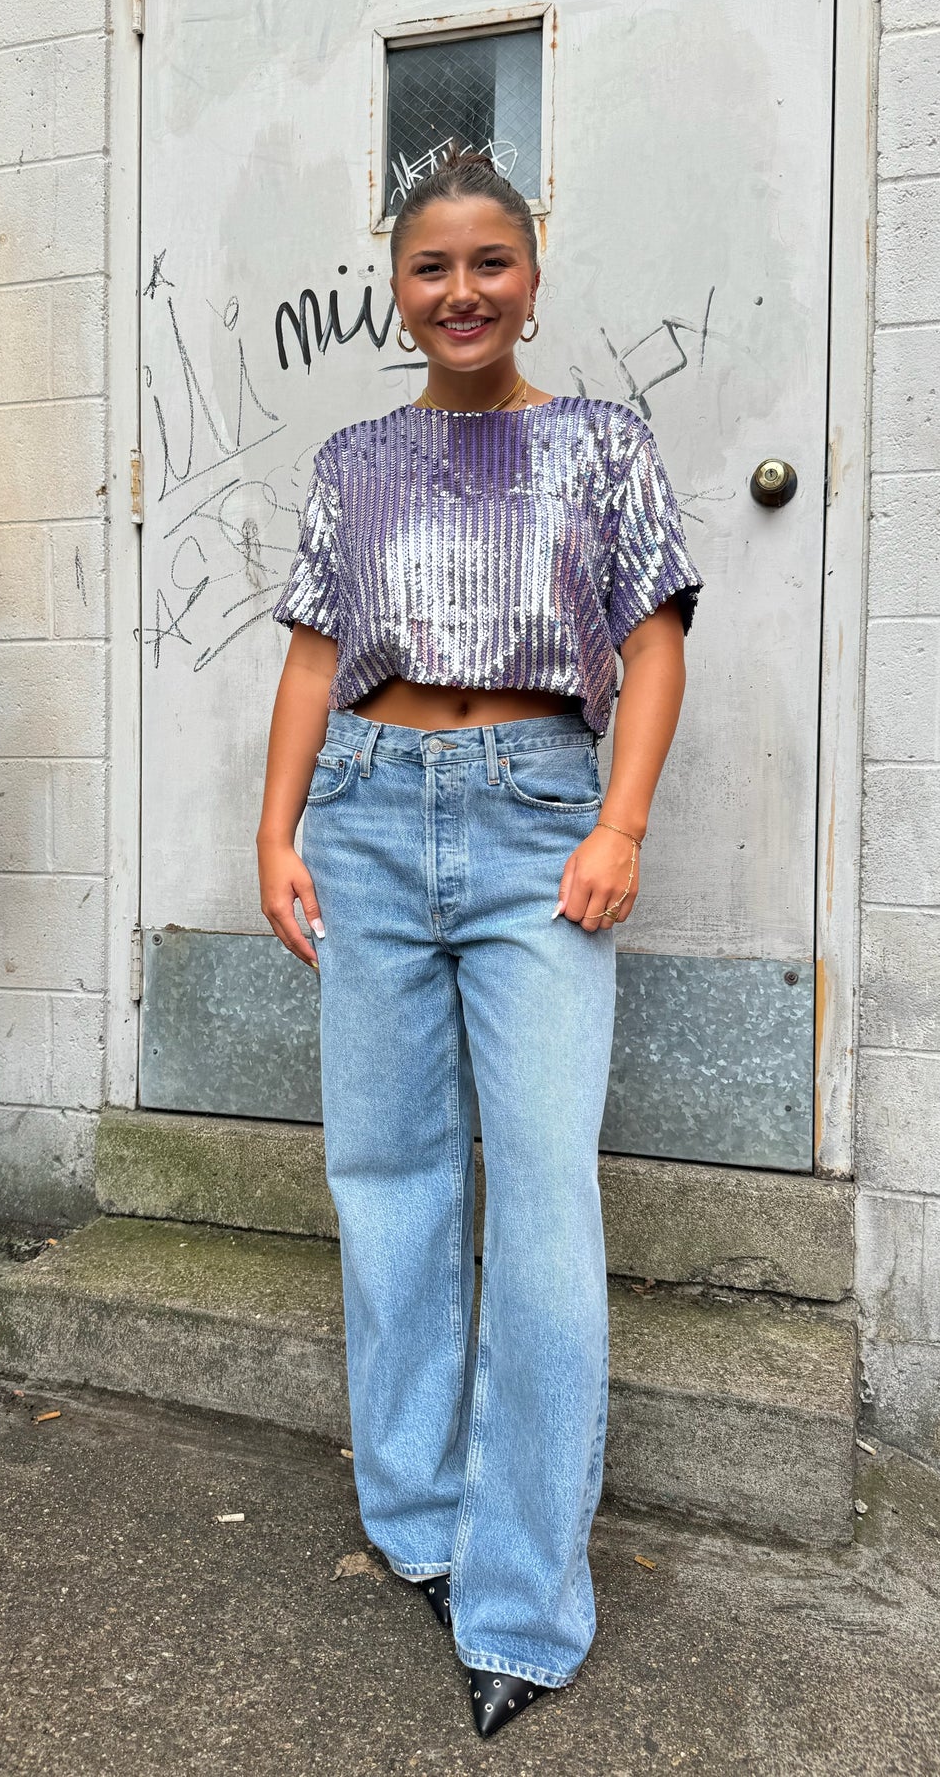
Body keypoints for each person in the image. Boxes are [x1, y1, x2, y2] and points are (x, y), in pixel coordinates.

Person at [257, 147, 700, 1739]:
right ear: (398, 284)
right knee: (383, 1178)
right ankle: (416, 1521)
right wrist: (274, 830)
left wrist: (619, 825)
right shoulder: (353, 459)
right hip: (369, 815)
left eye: (488, 263)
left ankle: (520, 1601)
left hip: (534, 824)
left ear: (531, 274)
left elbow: (647, 656)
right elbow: (313, 663)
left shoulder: (600, 445)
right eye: (431, 265)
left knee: (541, 1202)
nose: (460, 291)